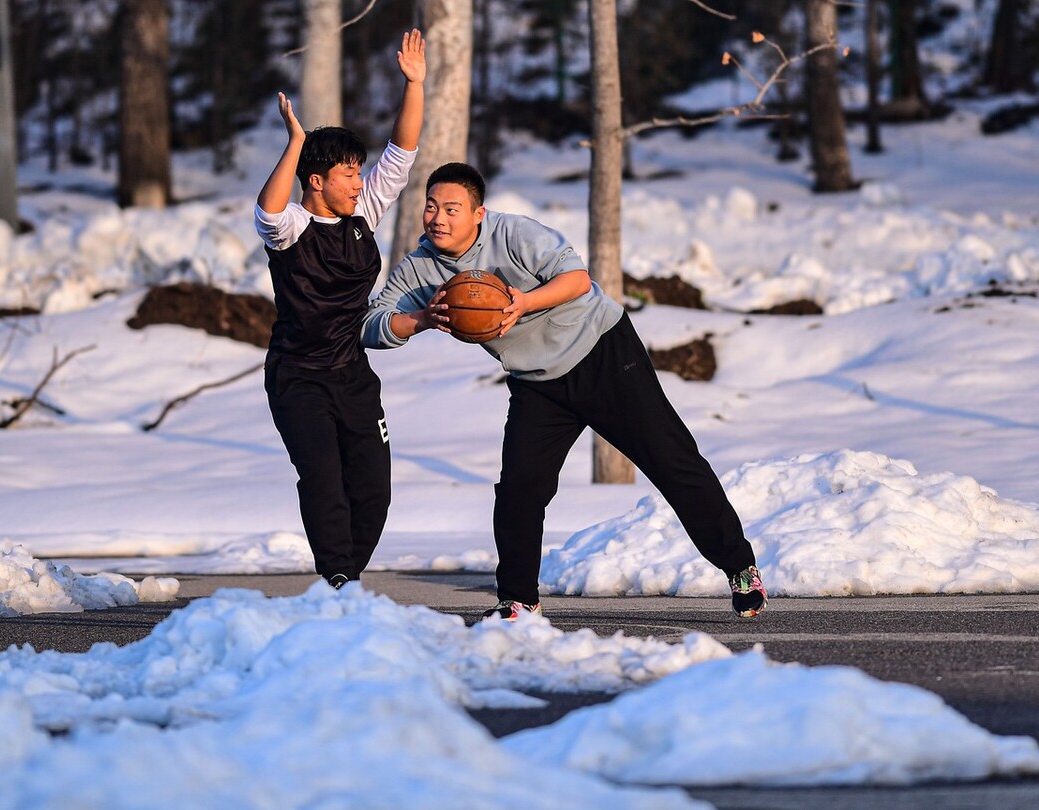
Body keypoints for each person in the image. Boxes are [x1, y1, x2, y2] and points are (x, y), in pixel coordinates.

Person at [362, 162, 767, 619]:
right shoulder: (420, 268)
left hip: (603, 353)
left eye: (452, 208)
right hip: (537, 383)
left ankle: (740, 567)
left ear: (479, 213)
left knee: (672, 461)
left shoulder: (515, 233)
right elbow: (372, 325)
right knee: (519, 488)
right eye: (431, 207)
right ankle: (518, 599)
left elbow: (576, 279)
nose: (438, 217)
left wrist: (524, 302)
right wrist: (421, 320)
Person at [254, 30, 426, 590]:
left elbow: (401, 156)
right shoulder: (293, 229)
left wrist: (415, 87)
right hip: (298, 377)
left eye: (359, 171)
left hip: (352, 375)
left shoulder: (362, 216)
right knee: (323, 480)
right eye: (348, 173)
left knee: (372, 488)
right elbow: (268, 209)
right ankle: (337, 581)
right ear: (316, 181)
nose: (360, 181)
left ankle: (345, 577)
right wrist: (296, 142)